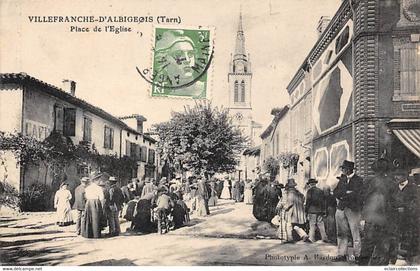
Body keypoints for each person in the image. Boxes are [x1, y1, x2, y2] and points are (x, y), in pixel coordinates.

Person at [359, 158, 397, 265]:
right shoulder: (392, 183)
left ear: (374, 169)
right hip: (385, 219)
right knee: (383, 248)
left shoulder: (368, 181)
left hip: (370, 218)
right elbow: (395, 202)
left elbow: (361, 197)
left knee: (367, 246)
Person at [154, 29, 205, 98]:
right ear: (164, 61)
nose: (187, 60)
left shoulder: (205, 90)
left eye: (190, 54)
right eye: (178, 54)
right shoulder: (165, 95)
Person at [333, 160, 363, 263]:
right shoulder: (342, 179)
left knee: (356, 232)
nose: (342, 170)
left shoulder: (358, 180)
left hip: (353, 209)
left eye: (343, 168)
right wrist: (346, 193)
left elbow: (358, 195)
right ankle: (341, 254)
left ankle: (358, 255)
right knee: (341, 232)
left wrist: (344, 194)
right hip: (341, 208)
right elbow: (335, 192)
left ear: (349, 169)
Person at [392, 168, 419, 264]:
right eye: (395, 175)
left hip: (409, 221)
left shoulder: (413, 188)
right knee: (396, 240)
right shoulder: (394, 188)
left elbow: (416, 204)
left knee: (409, 243)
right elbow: (389, 202)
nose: (396, 177)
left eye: (398, 175)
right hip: (396, 220)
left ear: (405, 176)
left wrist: (405, 209)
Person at [283, 179, 308, 243]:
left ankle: (289, 239)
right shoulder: (298, 193)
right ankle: (303, 234)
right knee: (295, 225)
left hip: (293, 212)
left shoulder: (291, 193)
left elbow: (290, 203)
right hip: (299, 212)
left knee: (289, 224)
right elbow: (303, 198)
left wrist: (285, 207)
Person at [82, 172, 105, 238]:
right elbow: (102, 198)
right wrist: (102, 206)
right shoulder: (99, 188)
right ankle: (96, 234)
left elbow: (86, 196)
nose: (100, 181)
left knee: (89, 218)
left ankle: (88, 233)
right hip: (95, 203)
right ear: (96, 180)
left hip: (89, 203)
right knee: (96, 218)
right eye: (99, 180)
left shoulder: (87, 188)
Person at [305, 178, 327, 243]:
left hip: (312, 210)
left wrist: (306, 210)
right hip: (320, 210)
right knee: (321, 224)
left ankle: (311, 238)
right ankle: (324, 237)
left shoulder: (309, 191)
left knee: (312, 224)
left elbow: (308, 201)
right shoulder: (320, 191)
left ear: (310, 184)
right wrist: (324, 210)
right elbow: (323, 201)